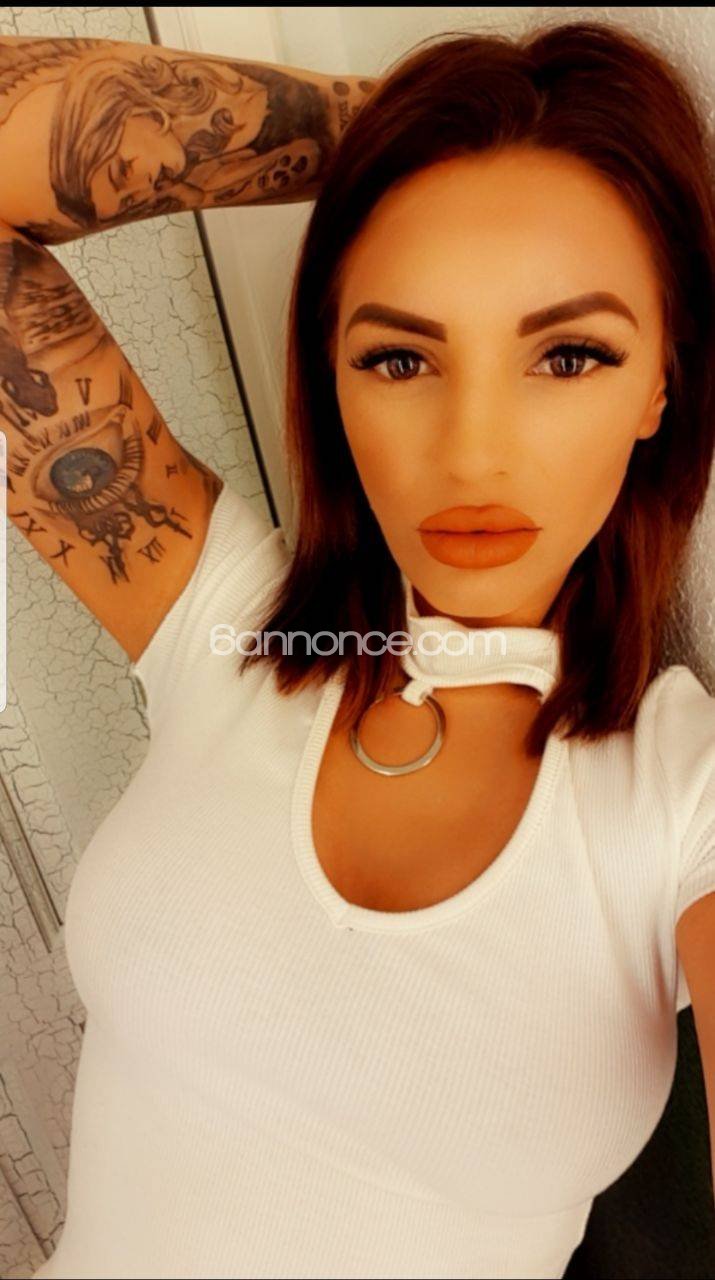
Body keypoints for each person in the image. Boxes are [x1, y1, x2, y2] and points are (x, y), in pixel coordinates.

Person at [2, 18, 713, 1280]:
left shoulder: (683, 794)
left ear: (663, 381)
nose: (472, 448)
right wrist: (395, 129)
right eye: (398, 356)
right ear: (330, 378)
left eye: (567, 355)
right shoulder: (221, 618)